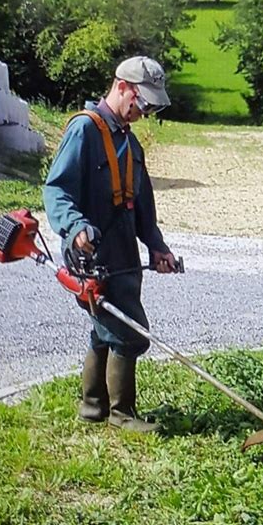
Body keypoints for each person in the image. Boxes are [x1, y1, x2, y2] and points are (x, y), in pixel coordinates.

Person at [44, 56, 177, 433]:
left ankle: (92, 406)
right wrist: (74, 227)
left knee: (104, 327)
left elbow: (143, 206)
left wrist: (157, 247)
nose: (144, 112)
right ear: (122, 87)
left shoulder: (131, 144)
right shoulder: (84, 131)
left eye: (150, 106)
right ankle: (122, 414)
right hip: (92, 251)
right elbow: (56, 189)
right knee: (129, 329)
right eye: (142, 103)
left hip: (125, 253)